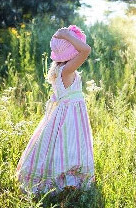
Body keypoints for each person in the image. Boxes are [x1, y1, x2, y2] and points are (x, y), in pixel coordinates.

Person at [16, 25, 95, 194]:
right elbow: (86, 50)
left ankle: (65, 177)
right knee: (69, 145)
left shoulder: (59, 69)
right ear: (72, 51)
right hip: (70, 116)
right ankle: (67, 179)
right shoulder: (67, 70)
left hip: (63, 113)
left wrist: (66, 37)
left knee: (58, 145)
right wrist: (67, 35)